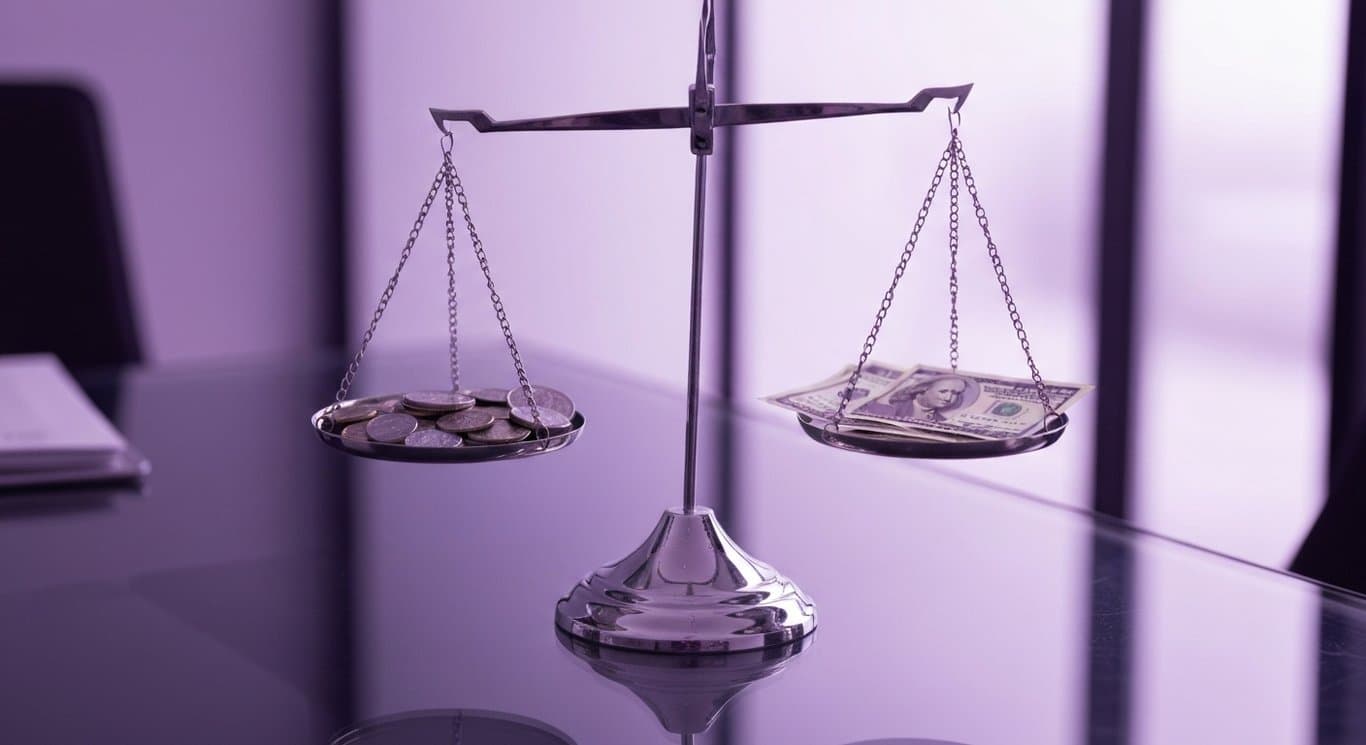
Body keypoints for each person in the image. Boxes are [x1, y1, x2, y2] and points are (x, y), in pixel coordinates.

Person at [885, 375, 969, 422]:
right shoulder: (894, 406)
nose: (948, 398)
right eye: (943, 391)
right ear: (924, 388)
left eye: (955, 393)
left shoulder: (942, 420)